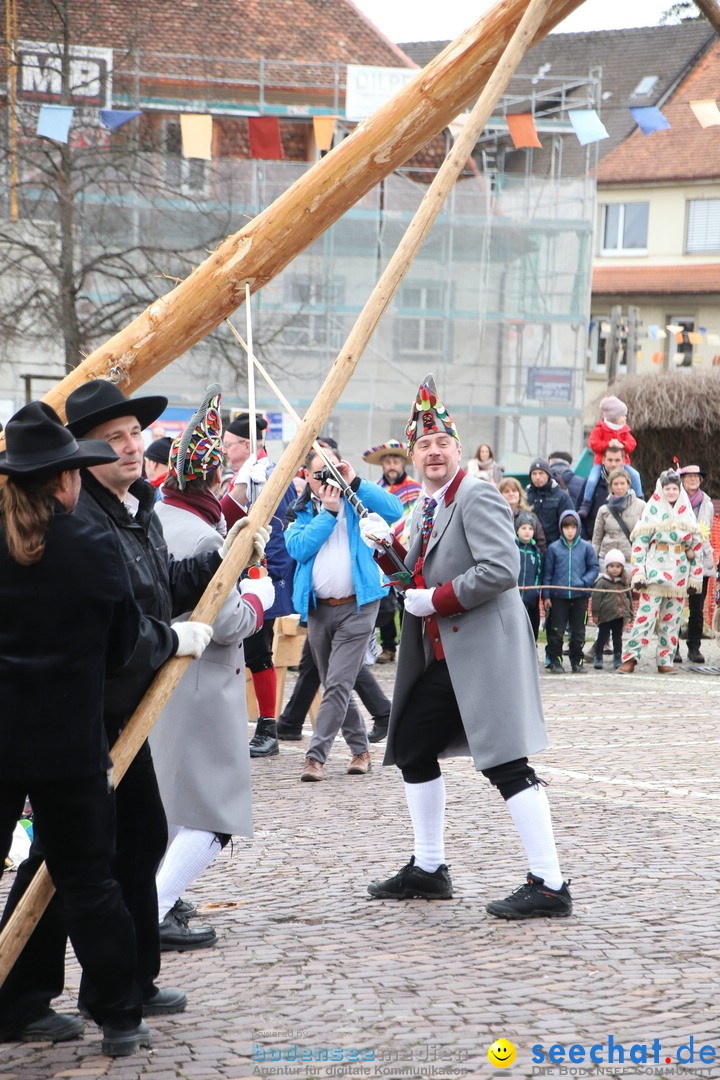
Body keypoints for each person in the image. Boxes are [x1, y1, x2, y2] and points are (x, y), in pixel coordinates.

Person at [361, 374, 572, 919]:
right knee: (410, 744)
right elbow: (412, 579)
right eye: (423, 445)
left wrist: (437, 600)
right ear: (413, 455)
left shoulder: (474, 493)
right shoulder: (425, 507)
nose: (433, 452)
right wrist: (385, 550)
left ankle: (550, 884)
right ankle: (429, 870)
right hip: (449, 655)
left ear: (457, 450)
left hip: (484, 651)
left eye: (442, 444)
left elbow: (501, 569)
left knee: (505, 762)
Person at [0, 402, 149, 1057]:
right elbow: (122, 648)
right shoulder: (91, 544)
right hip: (70, 743)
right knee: (89, 881)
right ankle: (119, 1017)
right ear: (64, 480)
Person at [150, 391, 275, 949]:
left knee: (176, 801)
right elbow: (227, 624)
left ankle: (160, 901)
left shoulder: (156, 513)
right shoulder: (202, 535)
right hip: (202, 683)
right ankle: (155, 905)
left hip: (160, 677)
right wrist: (258, 597)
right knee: (213, 813)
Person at [284, 446, 402, 781]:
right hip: (320, 609)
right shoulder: (302, 510)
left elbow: (395, 510)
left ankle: (315, 757)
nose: (328, 480)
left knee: (336, 683)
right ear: (307, 476)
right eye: (321, 473)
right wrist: (328, 513)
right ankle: (360, 749)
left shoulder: (358, 503)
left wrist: (355, 482)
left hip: (360, 605)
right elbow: (298, 548)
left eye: (333, 470)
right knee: (335, 682)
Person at [221, 413, 296, 757]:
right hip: (238, 570)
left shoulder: (268, 474)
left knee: (257, 651)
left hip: (262, 571)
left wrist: (271, 576)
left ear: (246, 445)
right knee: (241, 649)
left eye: (229, 443)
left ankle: (268, 726)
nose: (224, 449)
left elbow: (277, 529)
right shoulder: (242, 474)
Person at [617, 469, 703, 674]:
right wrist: (638, 572)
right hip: (655, 571)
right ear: (661, 489)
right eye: (667, 488)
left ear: (679, 489)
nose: (671, 492)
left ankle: (665, 659)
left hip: (679, 575)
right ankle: (630, 658)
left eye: (675, 488)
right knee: (644, 619)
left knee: (672, 620)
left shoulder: (687, 512)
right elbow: (640, 544)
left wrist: (695, 577)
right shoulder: (651, 510)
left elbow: (697, 547)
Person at [362, 438, 421, 664]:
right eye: (388, 461)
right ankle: (387, 647)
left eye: (396, 460)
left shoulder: (417, 489)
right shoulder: (375, 490)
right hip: (383, 549)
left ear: (403, 463)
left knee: (410, 595)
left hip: (409, 549)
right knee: (386, 599)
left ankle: (410, 644)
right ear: (383, 465)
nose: (392, 466)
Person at [542, 510, 598, 674]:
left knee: (579, 633)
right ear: (561, 528)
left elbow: (594, 568)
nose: (570, 531)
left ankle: (577, 661)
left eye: (573, 527)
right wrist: (546, 595)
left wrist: (584, 583)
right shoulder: (553, 548)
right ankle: (555, 661)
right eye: (566, 527)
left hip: (579, 597)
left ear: (578, 527)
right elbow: (547, 573)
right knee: (556, 632)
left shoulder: (586, 548)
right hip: (558, 597)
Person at [578, 396, 642, 518]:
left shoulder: (624, 431)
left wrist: (622, 445)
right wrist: (608, 444)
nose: (625, 418)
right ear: (615, 417)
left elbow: (632, 444)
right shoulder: (599, 429)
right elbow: (593, 444)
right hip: (600, 464)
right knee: (591, 480)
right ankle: (586, 504)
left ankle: (640, 500)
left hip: (624, 465)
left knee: (635, 475)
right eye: (623, 415)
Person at [678, 465, 714, 664]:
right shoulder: (676, 499)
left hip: (702, 558)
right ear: (682, 479)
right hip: (679, 558)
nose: (693, 480)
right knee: (674, 603)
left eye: (696, 477)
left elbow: (707, 531)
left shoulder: (706, 502)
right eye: (689, 476)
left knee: (697, 607)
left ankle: (694, 647)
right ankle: (672, 648)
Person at [575, 441, 629, 541]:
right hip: (594, 544)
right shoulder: (591, 483)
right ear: (603, 460)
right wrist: (586, 540)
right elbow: (578, 513)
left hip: (622, 545)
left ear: (623, 461)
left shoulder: (631, 484)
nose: (613, 464)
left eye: (617, 460)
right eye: (610, 460)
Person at [591, 468, 645, 566]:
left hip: (630, 560)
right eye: (615, 484)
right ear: (610, 486)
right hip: (607, 561)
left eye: (622, 483)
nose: (619, 487)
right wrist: (593, 561)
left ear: (628, 484)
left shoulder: (642, 506)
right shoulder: (604, 510)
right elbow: (597, 539)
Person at [590, 549, 633, 670]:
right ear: (607, 567)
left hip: (619, 616)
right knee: (602, 637)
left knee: (617, 638)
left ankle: (617, 657)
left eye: (618, 566)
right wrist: (595, 614)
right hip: (605, 616)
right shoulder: (602, 582)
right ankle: (598, 656)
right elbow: (596, 599)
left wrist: (630, 612)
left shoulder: (624, 582)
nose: (615, 569)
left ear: (622, 568)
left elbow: (628, 597)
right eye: (612, 566)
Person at [525, 458, 574, 546]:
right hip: (529, 546)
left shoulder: (561, 496)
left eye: (541, 473)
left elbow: (570, 521)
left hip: (553, 546)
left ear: (548, 475)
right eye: (534, 474)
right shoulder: (525, 494)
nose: (537, 477)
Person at [497, 476, 546, 556]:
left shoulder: (531, 516)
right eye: (506, 491)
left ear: (520, 494)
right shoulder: (495, 516)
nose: (511, 494)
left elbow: (541, 543)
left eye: (514, 491)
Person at [515, 511, 542, 641]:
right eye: (523, 528)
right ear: (517, 530)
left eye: (530, 528)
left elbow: (538, 572)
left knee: (530, 627)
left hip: (530, 598)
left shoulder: (535, 551)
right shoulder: (512, 548)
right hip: (514, 597)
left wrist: (535, 591)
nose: (527, 531)